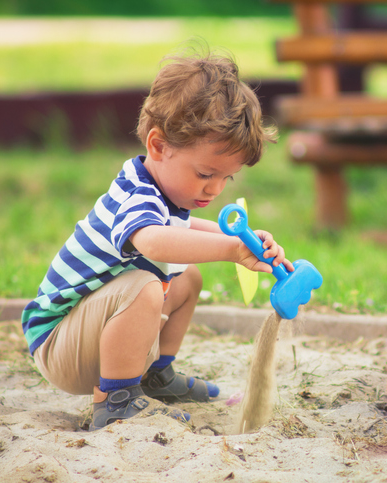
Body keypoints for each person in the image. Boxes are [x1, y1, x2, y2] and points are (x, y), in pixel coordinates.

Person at [21, 49, 289, 430]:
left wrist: (243, 240)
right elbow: (154, 242)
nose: (214, 190)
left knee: (188, 277)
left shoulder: (164, 191)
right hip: (58, 342)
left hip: (88, 336)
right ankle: (116, 399)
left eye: (225, 179)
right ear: (159, 146)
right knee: (144, 286)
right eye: (204, 173)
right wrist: (230, 249)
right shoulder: (136, 196)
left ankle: (155, 376)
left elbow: (182, 230)